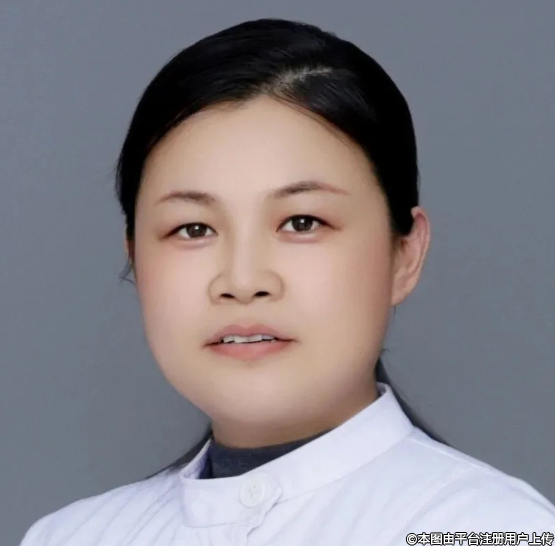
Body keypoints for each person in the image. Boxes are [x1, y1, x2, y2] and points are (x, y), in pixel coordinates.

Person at [20, 17, 555, 546]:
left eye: (302, 222)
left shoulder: (491, 528)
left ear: (404, 255)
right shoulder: (68, 537)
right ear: (136, 261)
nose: (243, 280)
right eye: (193, 229)